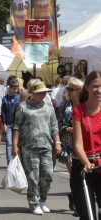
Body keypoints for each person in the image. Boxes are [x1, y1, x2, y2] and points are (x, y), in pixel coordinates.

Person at [12, 79, 62, 215]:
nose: (43, 95)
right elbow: (17, 127)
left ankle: (43, 201)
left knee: (47, 174)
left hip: (47, 145)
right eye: (40, 93)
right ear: (32, 93)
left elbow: (54, 125)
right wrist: (14, 145)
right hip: (29, 146)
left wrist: (57, 142)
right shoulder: (23, 107)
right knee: (33, 176)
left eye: (45, 93)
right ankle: (34, 203)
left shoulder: (48, 106)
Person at [71, 71, 101, 220]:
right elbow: (78, 144)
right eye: (95, 86)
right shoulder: (78, 111)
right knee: (88, 215)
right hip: (82, 168)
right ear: (87, 87)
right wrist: (87, 163)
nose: (99, 90)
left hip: (100, 165)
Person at [58, 77, 83, 215]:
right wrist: (68, 129)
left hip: (84, 145)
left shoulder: (87, 105)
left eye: (71, 89)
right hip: (68, 144)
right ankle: (78, 202)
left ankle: (76, 198)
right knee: (74, 175)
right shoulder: (64, 105)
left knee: (81, 175)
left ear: (79, 91)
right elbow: (59, 123)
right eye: (67, 88)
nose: (68, 91)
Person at [1, 78, 20, 165]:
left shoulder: (19, 98)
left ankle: (17, 160)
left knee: (17, 143)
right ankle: (9, 161)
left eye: (17, 88)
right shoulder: (5, 99)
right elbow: (3, 112)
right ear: (10, 88)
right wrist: (4, 123)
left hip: (18, 124)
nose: (16, 90)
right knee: (9, 142)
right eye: (14, 88)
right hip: (9, 123)